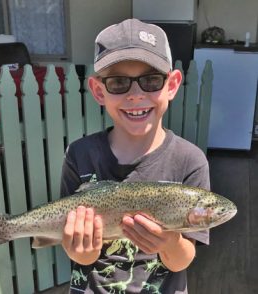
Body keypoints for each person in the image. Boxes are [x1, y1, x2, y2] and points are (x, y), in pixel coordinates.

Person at [60, 18, 210, 294]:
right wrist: (82, 251)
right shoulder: (79, 154)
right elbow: (78, 255)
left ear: (172, 84)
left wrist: (169, 243)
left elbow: (182, 260)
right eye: (118, 83)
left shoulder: (190, 160)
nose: (135, 95)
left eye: (151, 80)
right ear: (98, 90)